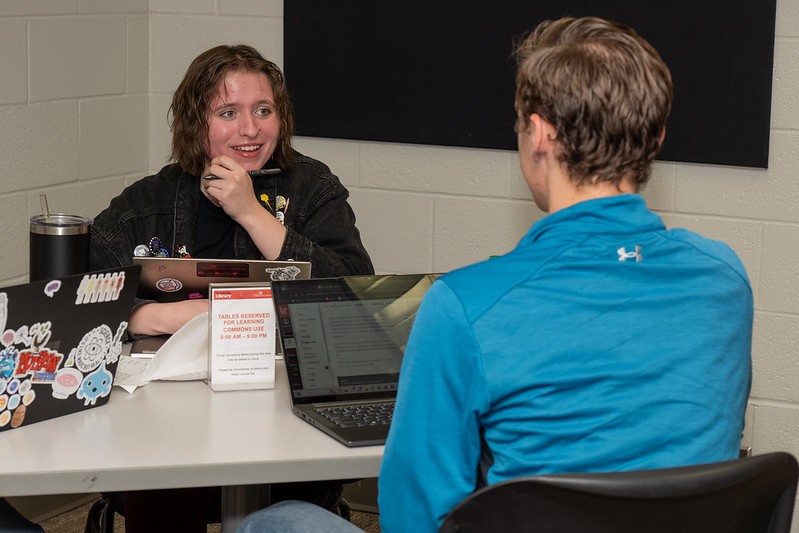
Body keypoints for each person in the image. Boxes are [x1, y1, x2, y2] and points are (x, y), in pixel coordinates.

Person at [235, 15, 753, 533]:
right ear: (658, 135)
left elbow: (412, 517)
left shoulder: (466, 305)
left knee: (277, 521)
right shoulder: (725, 279)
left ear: (540, 135)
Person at [88, 44, 374, 532]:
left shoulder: (311, 188)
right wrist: (154, 316)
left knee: (287, 507)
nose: (250, 129)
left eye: (264, 111)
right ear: (195, 125)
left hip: (281, 408)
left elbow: (355, 299)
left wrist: (251, 212)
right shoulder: (149, 203)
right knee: (164, 486)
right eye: (228, 113)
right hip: (170, 422)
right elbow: (79, 296)